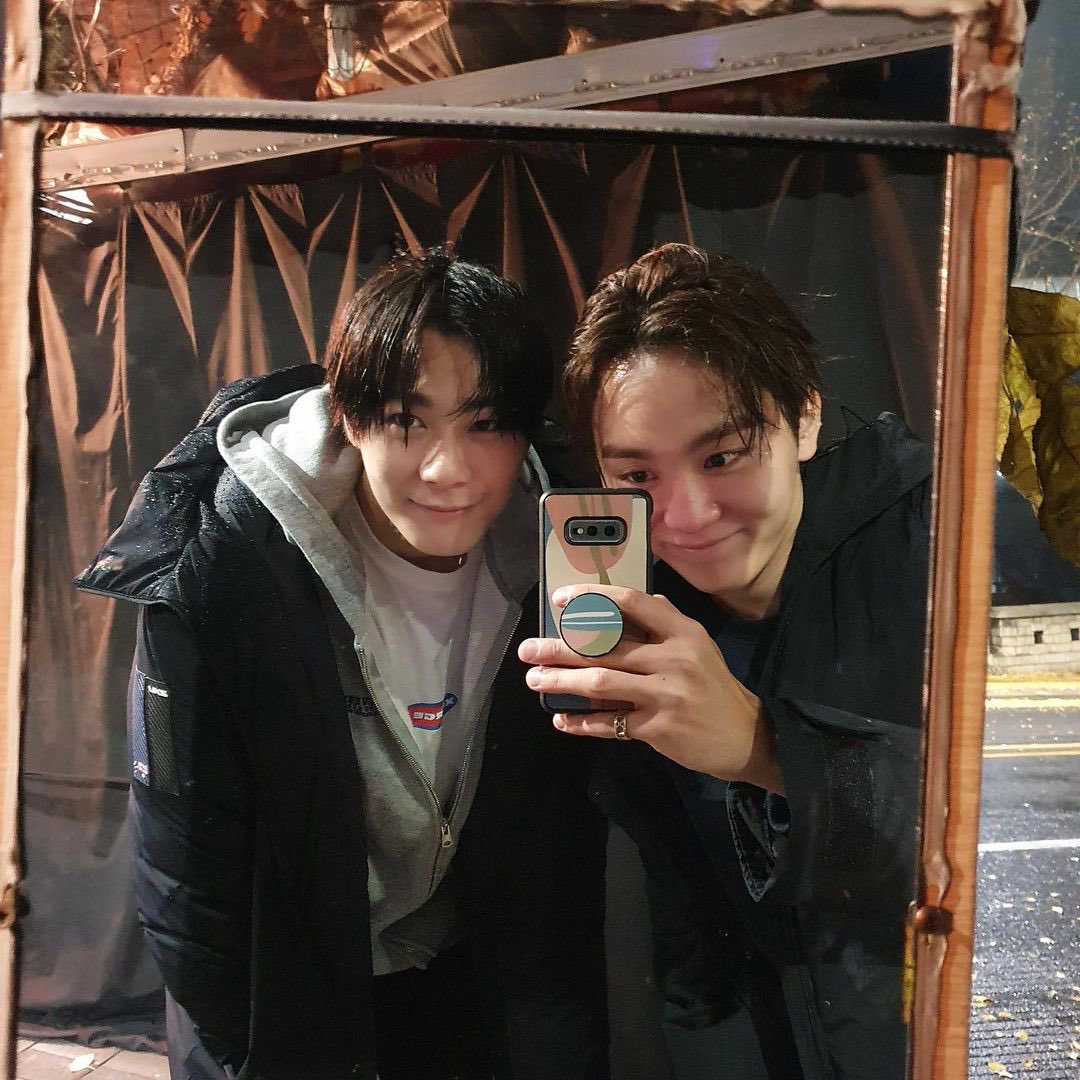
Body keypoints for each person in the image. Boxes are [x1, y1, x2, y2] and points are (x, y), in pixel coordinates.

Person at [76, 248, 609, 1080]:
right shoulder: (226, 561)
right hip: (285, 998)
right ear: (349, 416)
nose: (447, 469)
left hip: (467, 983)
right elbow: (184, 865)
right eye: (406, 420)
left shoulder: (566, 555)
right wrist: (243, 1045)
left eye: (485, 424)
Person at [520, 244, 931, 1080]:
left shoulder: (945, 543)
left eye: (722, 455)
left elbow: (1027, 840)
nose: (685, 515)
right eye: (637, 473)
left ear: (804, 417)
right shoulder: (642, 612)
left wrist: (764, 752)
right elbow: (687, 909)